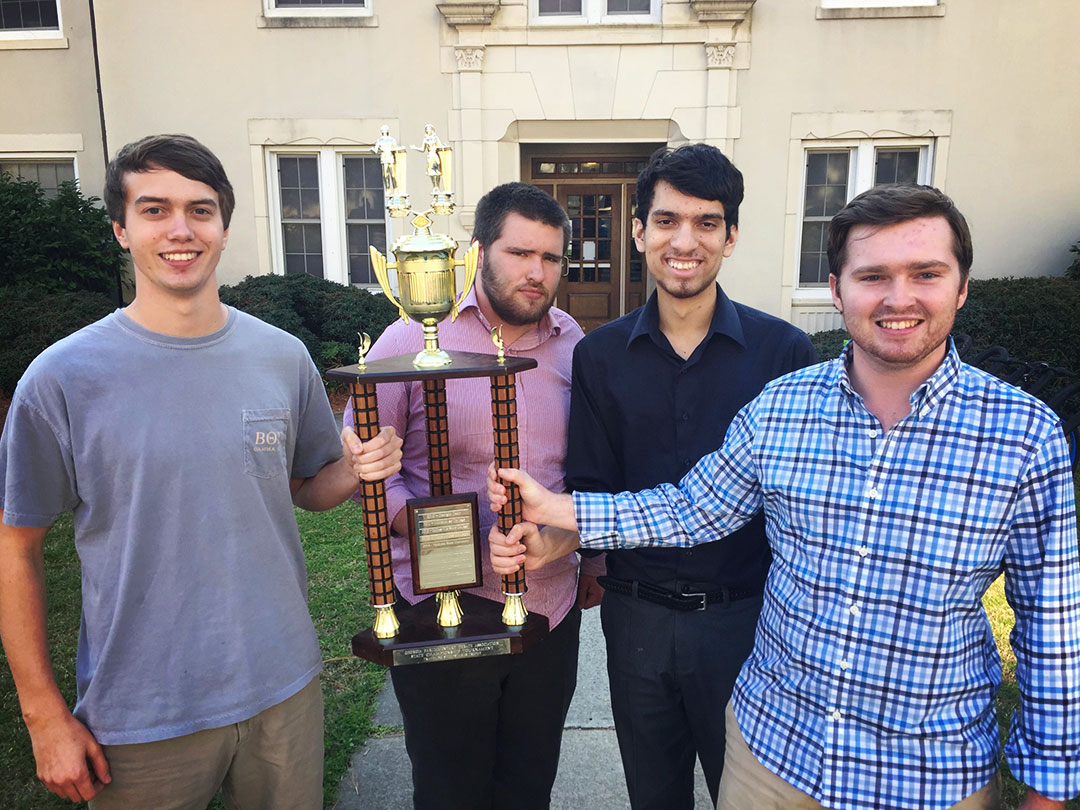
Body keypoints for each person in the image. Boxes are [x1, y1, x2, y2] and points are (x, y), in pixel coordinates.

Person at [490, 184, 1080, 810]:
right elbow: (693, 508)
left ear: (961, 287)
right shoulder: (784, 407)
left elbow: (1054, 629)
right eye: (872, 274)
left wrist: (1046, 791)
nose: (897, 297)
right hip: (773, 757)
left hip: (927, 775)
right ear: (837, 288)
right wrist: (555, 509)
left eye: (926, 274)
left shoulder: (1024, 436)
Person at [0, 134, 401, 808]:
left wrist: (358, 468)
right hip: (142, 711)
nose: (180, 230)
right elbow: (17, 549)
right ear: (120, 230)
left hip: (282, 690)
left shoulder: (279, 356)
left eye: (201, 210)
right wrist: (44, 717)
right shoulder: (62, 378)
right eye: (155, 210)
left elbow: (309, 488)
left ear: (223, 226)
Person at [552, 143, 817, 809]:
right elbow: (592, 483)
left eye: (707, 223)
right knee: (654, 794)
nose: (685, 241)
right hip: (636, 619)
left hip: (748, 623)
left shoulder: (784, 352)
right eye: (667, 220)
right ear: (639, 231)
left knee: (752, 795)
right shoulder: (600, 355)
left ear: (731, 236)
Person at [345, 182, 601, 810]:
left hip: (548, 608)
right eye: (520, 254)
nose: (536, 273)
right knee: (449, 787)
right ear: (479, 249)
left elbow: (591, 473)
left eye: (550, 259)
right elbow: (374, 468)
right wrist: (436, 534)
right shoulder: (410, 340)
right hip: (440, 610)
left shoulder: (576, 347)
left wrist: (589, 560)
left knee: (528, 782)